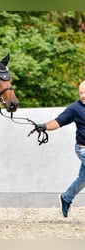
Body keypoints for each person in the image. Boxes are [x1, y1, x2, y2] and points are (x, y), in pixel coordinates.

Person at [36, 80, 85, 217]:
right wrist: (44, 126)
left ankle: (66, 198)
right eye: (80, 93)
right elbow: (58, 122)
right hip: (83, 149)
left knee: (83, 178)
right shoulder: (75, 108)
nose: (82, 96)